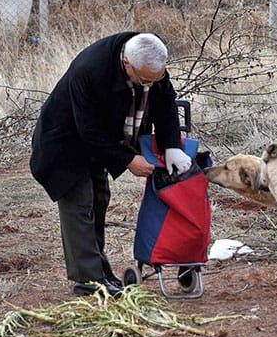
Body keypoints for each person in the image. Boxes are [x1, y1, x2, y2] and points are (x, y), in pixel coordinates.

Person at [30, 32, 192, 296]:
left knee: (99, 199)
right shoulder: (90, 70)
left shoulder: (151, 64)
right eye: (144, 80)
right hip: (65, 143)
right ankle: (88, 281)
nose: (149, 85)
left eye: (157, 78)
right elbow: (89, 129)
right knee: (80, 204)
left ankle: (101, 271)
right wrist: (128, 159)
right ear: (127, 64)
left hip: (97, 144)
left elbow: (165, 104)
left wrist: (171, 146)